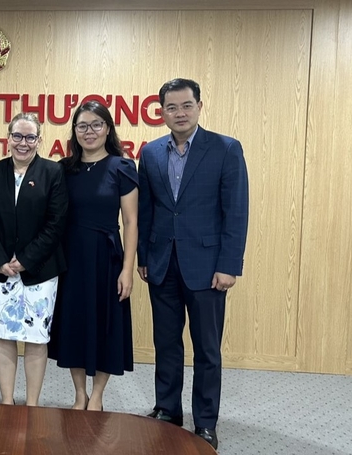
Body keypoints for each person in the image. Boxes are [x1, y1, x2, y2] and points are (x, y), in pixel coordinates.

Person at [137, 78, 249, 450]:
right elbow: (147, 210)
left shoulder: (226, 149)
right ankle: (168, 410)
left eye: (186, 105)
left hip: (208, 267)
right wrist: (143, 257)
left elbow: (235, 212)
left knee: (207, 349)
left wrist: (229, 265)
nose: (179, 113)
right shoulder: (151, 152)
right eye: (171, 107)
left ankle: (205, 422)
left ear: (199, 106)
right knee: (166, 343)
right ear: (162, 111)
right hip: (162, 264)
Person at [48, 100, 139, 411]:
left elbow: (130, 222)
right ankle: (79, 395)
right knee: (72, 324)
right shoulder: (63, 168)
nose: (89, 132)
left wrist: (127, 269)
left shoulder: (122, 167)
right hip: (70, 258)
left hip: (106, 258)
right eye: (82, 126)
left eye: (96, 125)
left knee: (105, 325)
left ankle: (97, 396)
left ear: (108, 129)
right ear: (74, 131)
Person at [0, 113, 68, 406]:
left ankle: (31, 404)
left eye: (30, 137)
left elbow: (56, 223)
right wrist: (0, 258)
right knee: (3, 335)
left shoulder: (52, 172)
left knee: (35, 338)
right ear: (8, 137)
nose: (23, 143)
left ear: (39, 140)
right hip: (0, 270)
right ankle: (7, 401)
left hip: (39, 271)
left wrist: (26, 260)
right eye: (17, 136)